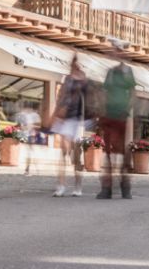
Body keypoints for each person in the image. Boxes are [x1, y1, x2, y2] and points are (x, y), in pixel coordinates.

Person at [51, 60, 89, 197]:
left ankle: (78, 185)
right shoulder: (66, 79)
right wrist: (54, 114)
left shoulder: (83, 80)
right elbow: (60, 97)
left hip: (77, 119)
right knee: (63, 152)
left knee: (76, 155)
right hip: (64, 118)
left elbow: (89, 99)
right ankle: (61, 185)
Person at [98, 62, 135, 199]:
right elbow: (104, 92)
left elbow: (132, 92)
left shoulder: (127, 71)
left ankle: (125, 186)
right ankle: (107, 188)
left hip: (122, 115)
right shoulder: (111, 72)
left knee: (123, 150)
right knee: (108, 152)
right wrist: (102, 111)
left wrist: (127, 110)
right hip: (109, 114)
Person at [15, 103, 41, 175]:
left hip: (31, 135)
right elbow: (20, 125)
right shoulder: (23, 115)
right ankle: (30, 168)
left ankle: (28, 169)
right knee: (29, 152)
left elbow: (39, 125)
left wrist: (31, 126)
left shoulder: (35, 115)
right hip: (25, 135)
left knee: (30, 152)